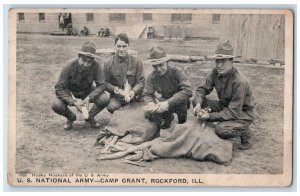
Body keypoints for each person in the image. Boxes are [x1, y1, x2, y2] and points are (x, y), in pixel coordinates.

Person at [192, 41, 256, 150]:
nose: (219, 65)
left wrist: (209, 116)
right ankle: (225, 121)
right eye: (217, 61)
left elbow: (234, 112)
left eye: (223, 61)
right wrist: (198, 104)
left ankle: (245, 131)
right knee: (196, 100)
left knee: (221, 130)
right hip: (225, 106)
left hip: (241, 114)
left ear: (232, 61)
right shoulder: (215, 72)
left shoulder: (240, 82)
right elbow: (202, 89)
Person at [52, 42, 109, 130]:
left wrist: (89, 97)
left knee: (104, 99)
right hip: (70, 90)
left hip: (87, 89)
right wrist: (73, 101)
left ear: (93, 60)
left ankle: (90, 117)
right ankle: (70, 117)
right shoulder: (69, 65)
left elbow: (102, 85)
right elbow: (59, 88)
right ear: (78, 56)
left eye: (89, 62)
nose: (86, 64)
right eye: (83, 60)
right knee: (56, 105)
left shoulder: (96, 66)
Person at [143, 46, 193, 129]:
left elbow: (187, 91)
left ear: (167, 62)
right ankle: (168, 118)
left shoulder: (177, 72)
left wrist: (168, 103)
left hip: (179, 102)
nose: (158, 69)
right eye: (155, 66)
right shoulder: (152, 76)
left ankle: (181, 123)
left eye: (161, 65)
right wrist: (150, 103)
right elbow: (146, 94)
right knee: (148, 113)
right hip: (164, 100)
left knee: (181, 126)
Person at [103, 33, 145, 113]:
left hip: (134, 96)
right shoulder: (108, 63)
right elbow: (105, 83)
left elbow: (141, 81)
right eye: (119, 46)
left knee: (141, 109)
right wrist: (115, 89)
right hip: (117, 97)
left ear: (128, 46)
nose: (121, 49)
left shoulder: (137, 62)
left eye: (124, 46)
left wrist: (133, 91)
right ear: (115, 45)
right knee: (111, 107)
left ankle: (129, 110)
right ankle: (124, 111)